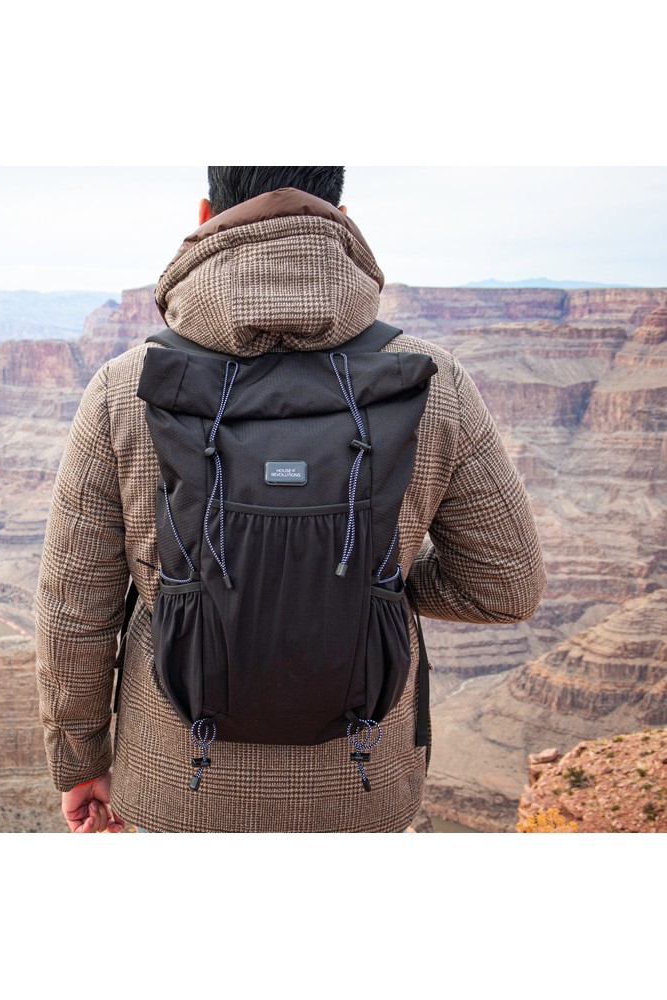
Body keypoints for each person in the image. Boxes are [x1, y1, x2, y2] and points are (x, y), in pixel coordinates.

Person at [35, 166, 546, 833]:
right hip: (361, 791)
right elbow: (507, 586)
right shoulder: (432, 382)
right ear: (340, 217)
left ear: (204, 216)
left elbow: (75, 612)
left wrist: (78, 763)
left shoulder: (126, 388)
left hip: (176, 788)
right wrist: (374, 583)